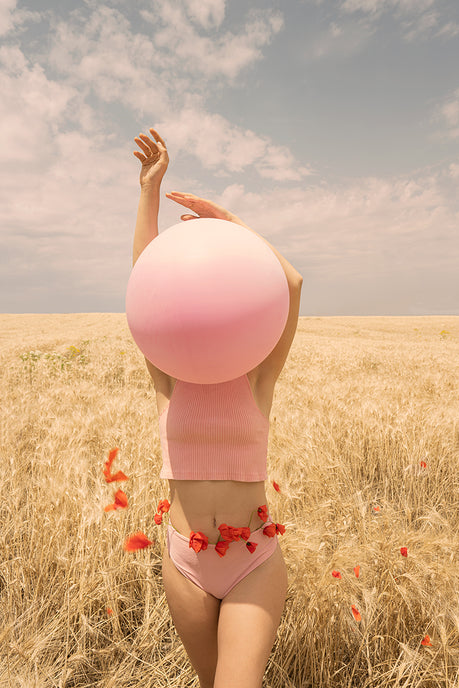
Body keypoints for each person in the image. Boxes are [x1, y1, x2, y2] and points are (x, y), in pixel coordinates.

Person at [132, 128, 303, 688]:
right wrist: (149, 190)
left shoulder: (259, 379)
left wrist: (232, 226)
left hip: (253, 560)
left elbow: (292, 282)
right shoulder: (169, 379)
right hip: (185, 558)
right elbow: (146, 287)